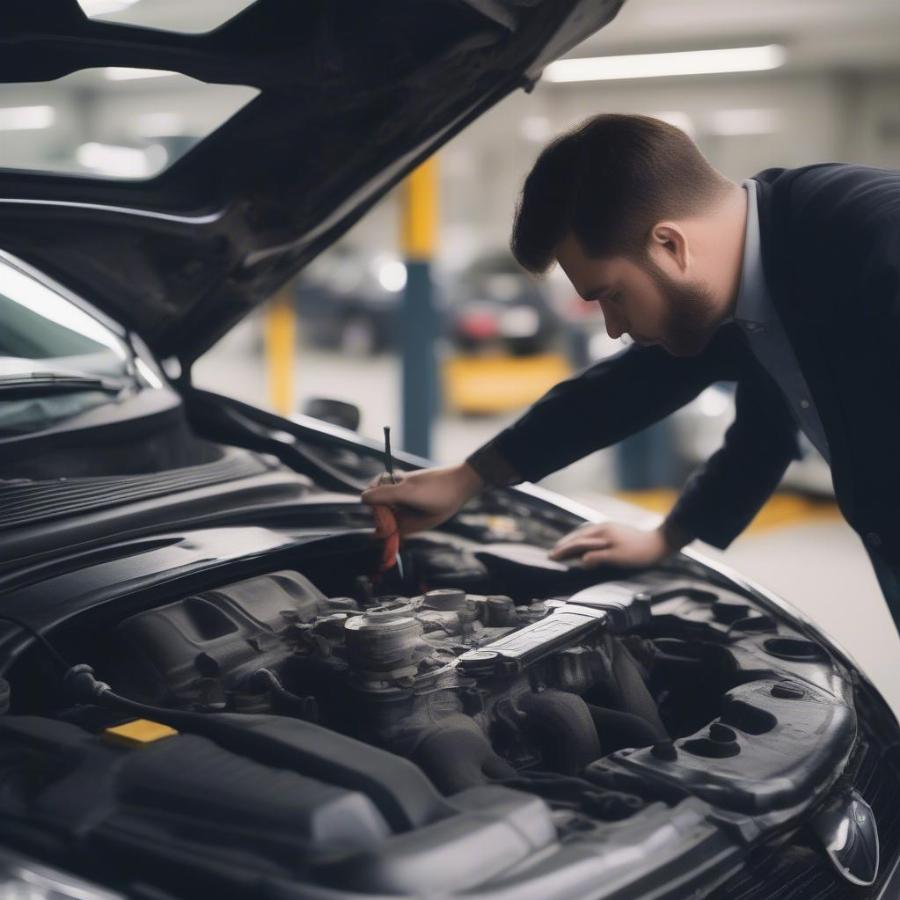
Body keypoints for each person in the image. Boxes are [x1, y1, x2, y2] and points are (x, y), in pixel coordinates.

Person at [362, 113, 900, 631]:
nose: (614, 327)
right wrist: (467, 478)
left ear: (669, 244)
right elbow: (724, 413)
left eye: (612, 296)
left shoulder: (876, 242)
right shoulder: (759, 271)